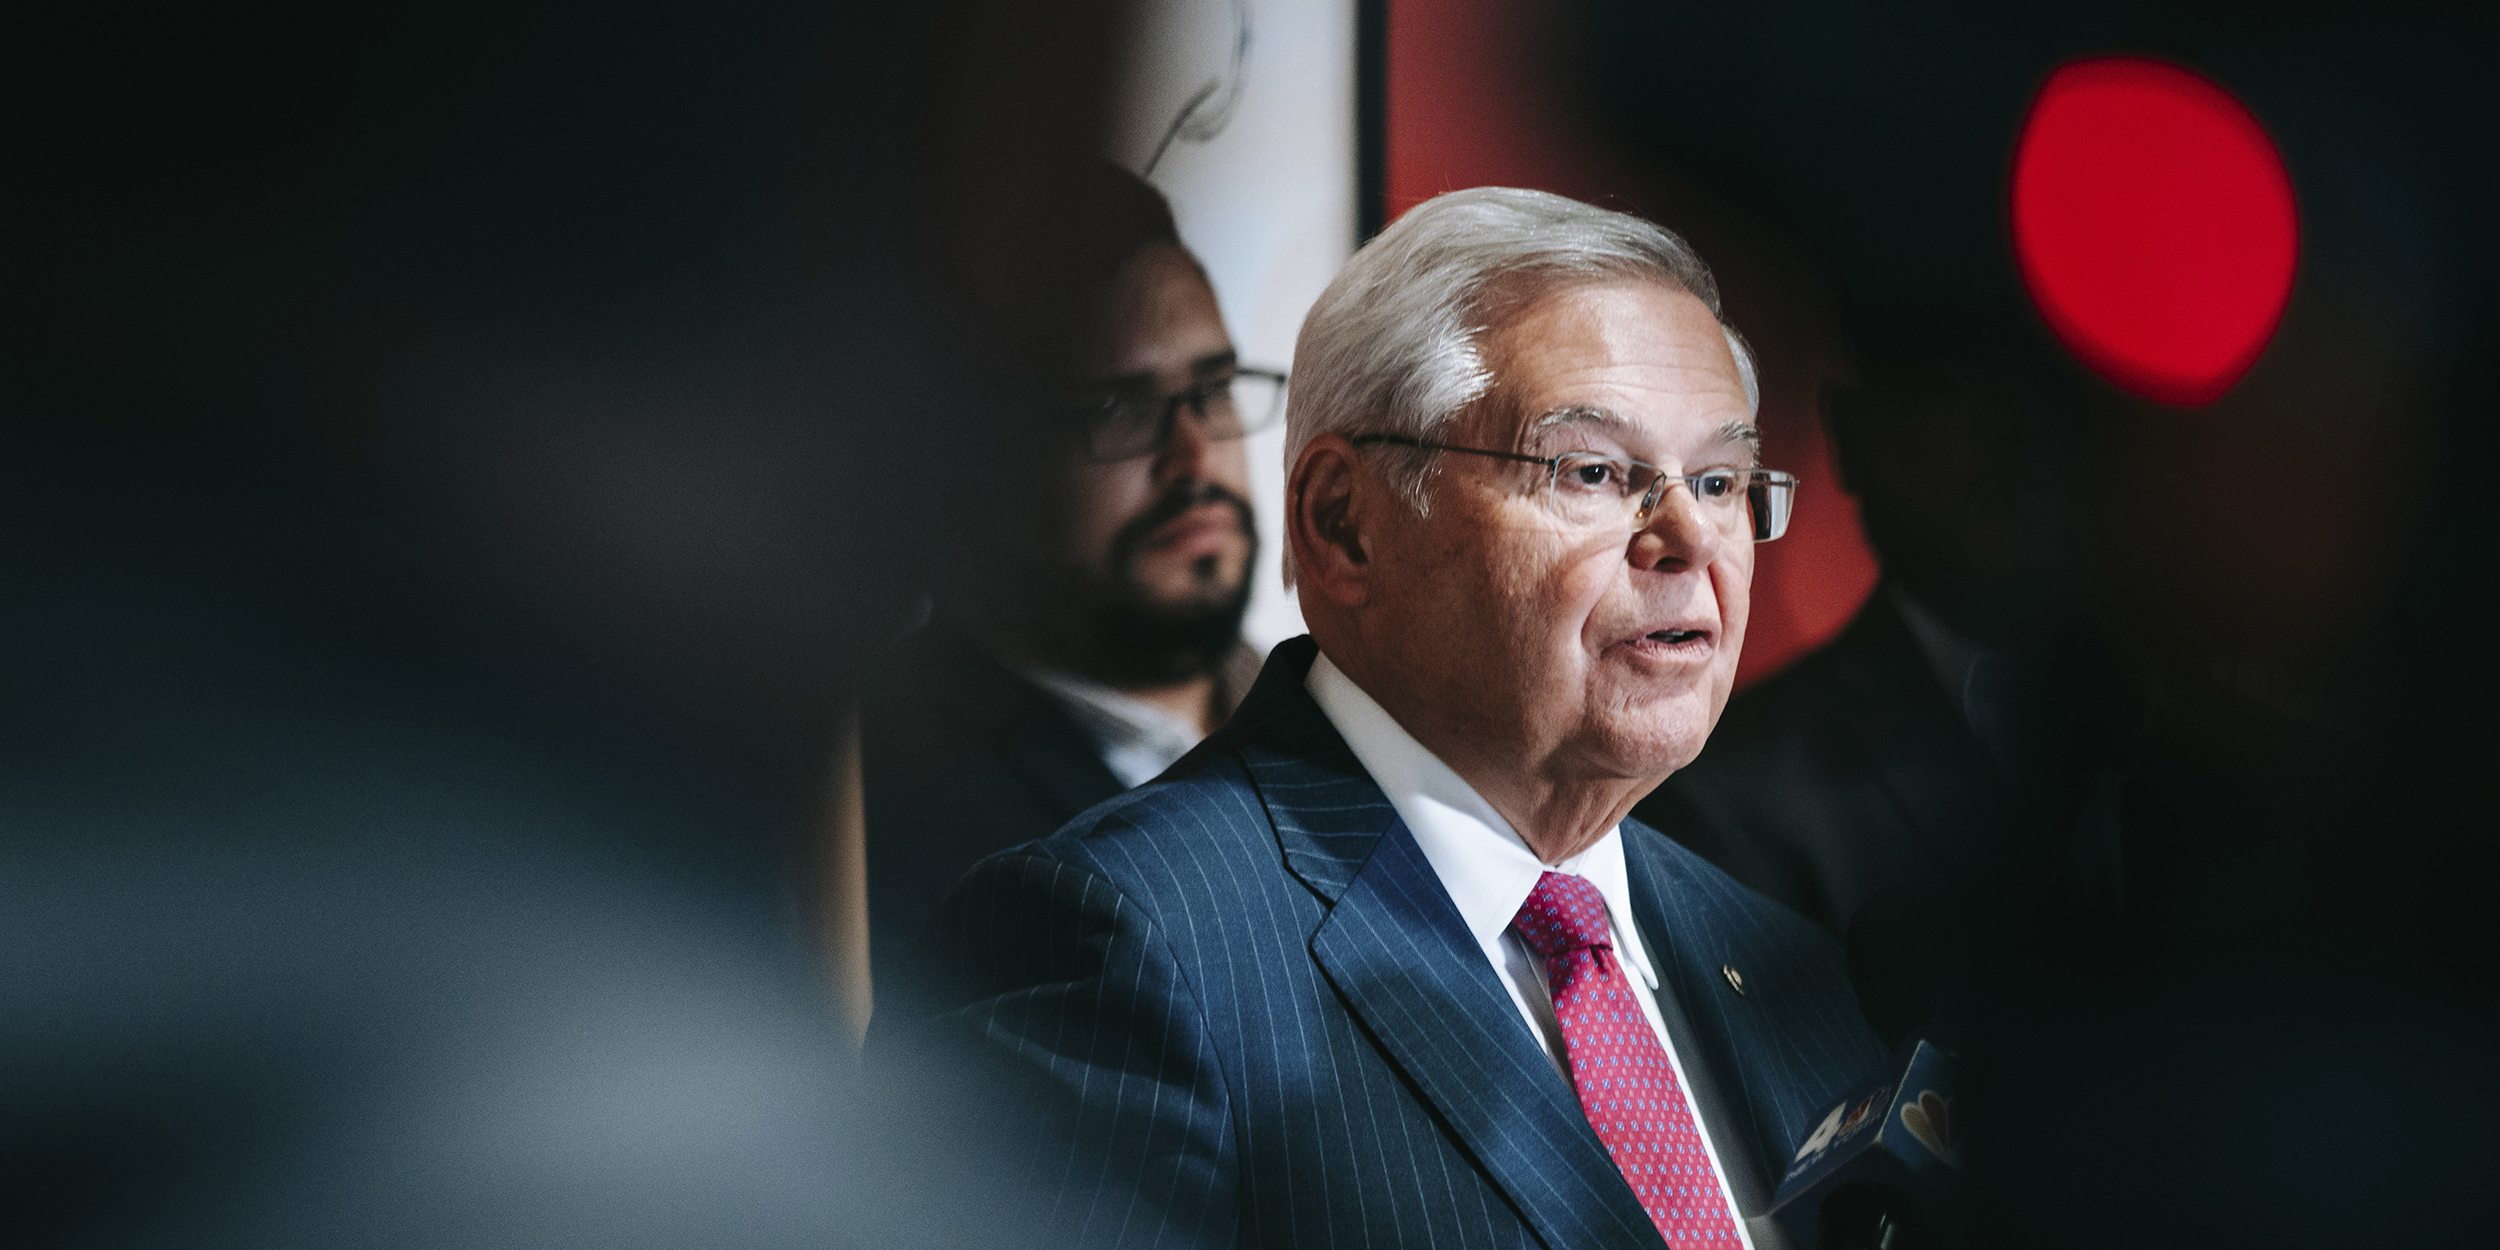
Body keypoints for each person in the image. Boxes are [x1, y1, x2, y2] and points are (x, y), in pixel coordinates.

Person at [873, 187, 1884, 1250]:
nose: (1685, 537)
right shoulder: (1123, 943)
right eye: (1592, 470)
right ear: (1344, 524)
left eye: (1719, 479)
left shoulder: (1781, 961)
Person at [843, 163, 1274, 997]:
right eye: (1118, 408)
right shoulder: (871, 808)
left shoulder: (1341, 728)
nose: (1195, 458)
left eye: (1213, 390)